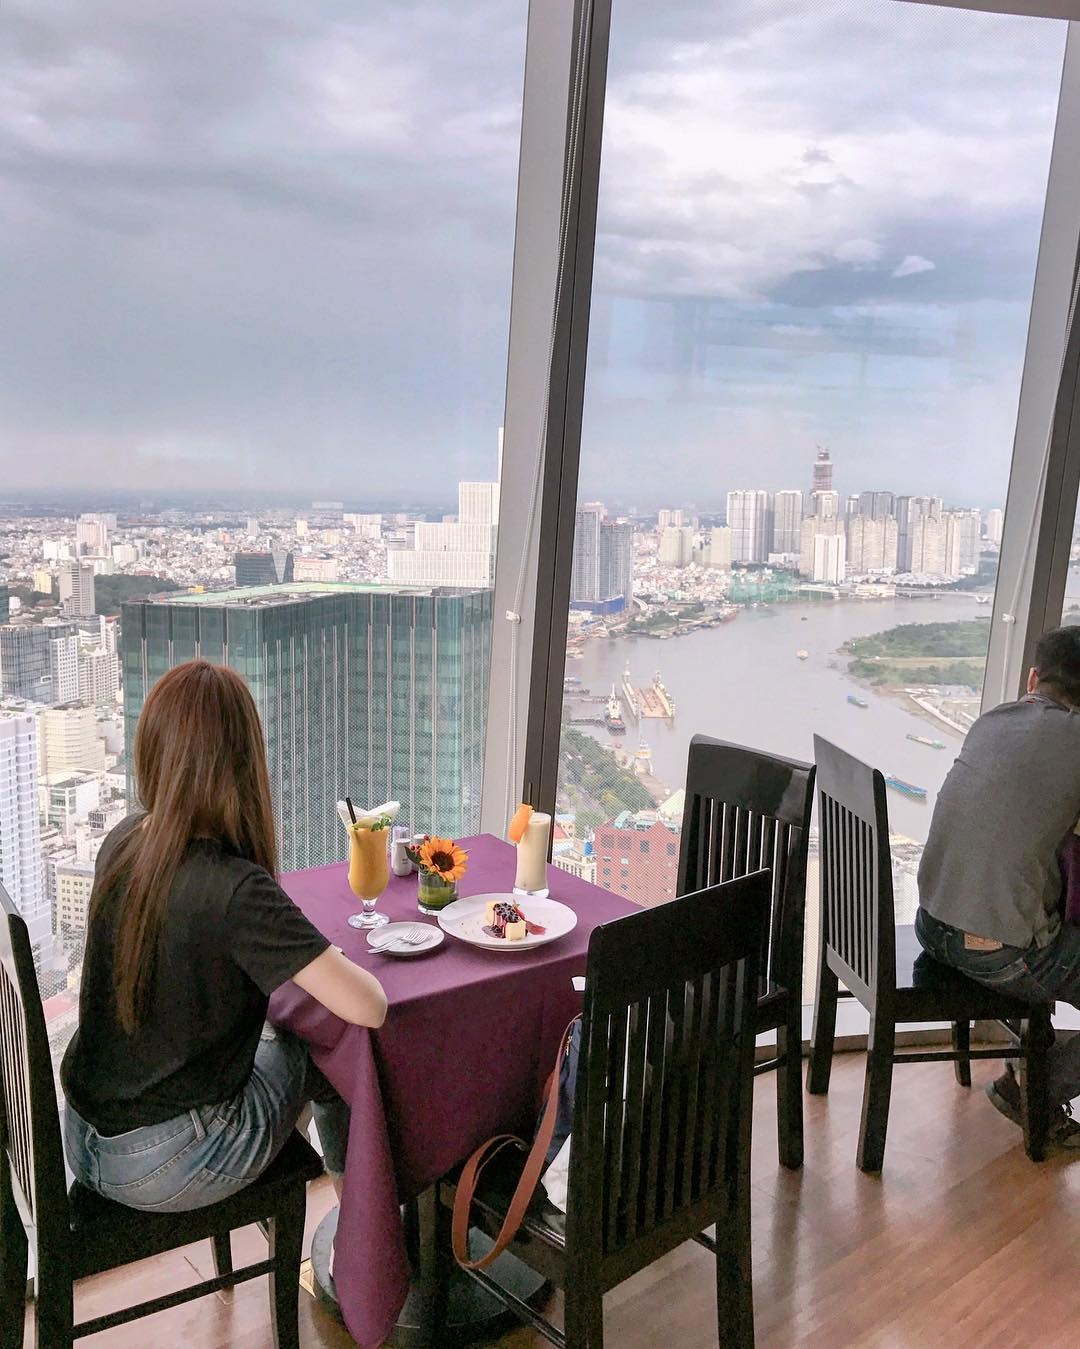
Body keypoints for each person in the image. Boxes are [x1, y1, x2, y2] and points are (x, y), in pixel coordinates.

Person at [61, 659, 387, 1212]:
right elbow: (370, 1006)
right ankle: (363, 1238)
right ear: (242, 763)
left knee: (277, 1035)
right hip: (170, 1160)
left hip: (85, 1139)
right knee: (326, 1048)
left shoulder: (123, 842)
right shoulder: (236, 889)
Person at [915, 624, 1080, 1148]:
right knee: (1049, 939)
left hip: (932, 925)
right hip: (998, 953)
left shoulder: (991, 722)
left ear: (1033, 677)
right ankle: (1034, 1086)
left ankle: (1035, 1069)